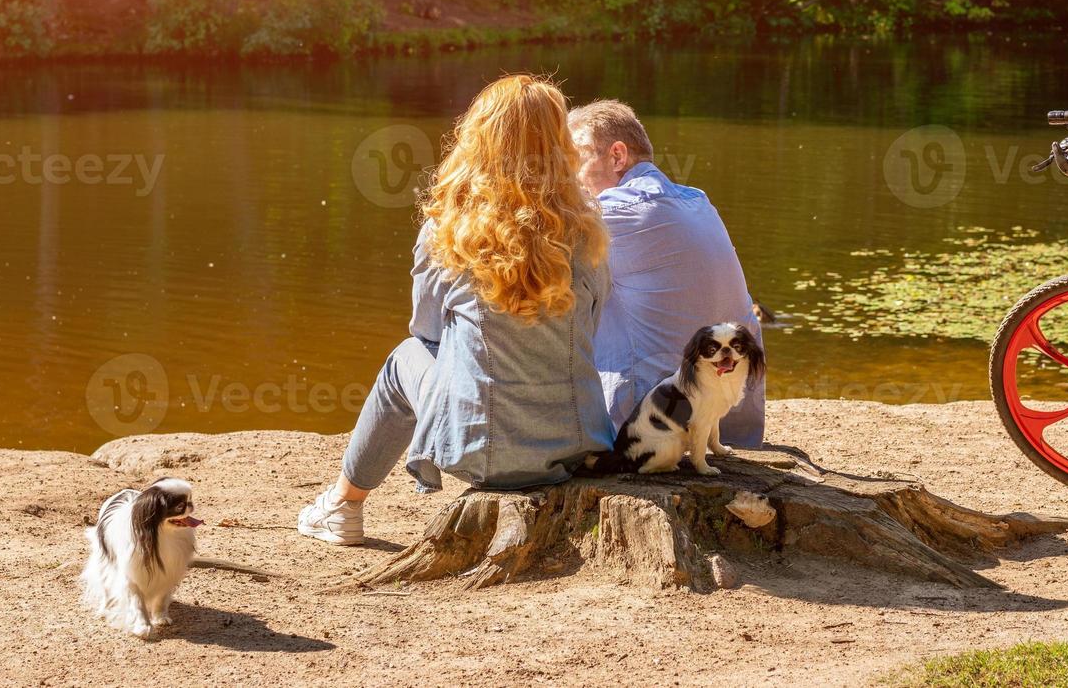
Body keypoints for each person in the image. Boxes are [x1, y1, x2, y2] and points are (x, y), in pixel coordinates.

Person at [297, 75, 614, 545]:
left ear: (478, 139)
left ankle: (343, 507)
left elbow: (427, 333)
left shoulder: (449, 230)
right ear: (558, 143)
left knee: (405, 356)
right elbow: (590, 325)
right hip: (578, 445)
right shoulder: (588, 229)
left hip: (481, 451)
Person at [568, 99, 764, 447]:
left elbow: (526, 229)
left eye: (574, 161)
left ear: (616, 156)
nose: (569, 177)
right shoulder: (698, 200)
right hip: (736, 426)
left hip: (653, 434)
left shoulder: (618, 212)